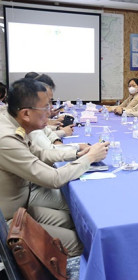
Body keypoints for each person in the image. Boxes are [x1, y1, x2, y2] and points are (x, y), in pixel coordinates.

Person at [0, 78, 109, 257]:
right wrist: (89, 158)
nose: (50, 111)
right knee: (84, 243)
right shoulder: (6, 139)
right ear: (26, 113)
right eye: (45, 108)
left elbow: (41, 153)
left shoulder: (12, 122)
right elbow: (53, 179)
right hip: (11, 223)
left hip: (23, 207)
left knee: (80, 223)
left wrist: (76, 153)